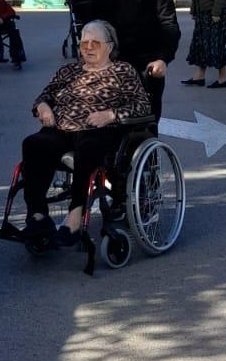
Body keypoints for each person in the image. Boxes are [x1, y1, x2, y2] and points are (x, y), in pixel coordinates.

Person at [20, 20, 151, 244]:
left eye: (95, 43)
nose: (88, 48)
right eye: (84, 44)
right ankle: (38, 214)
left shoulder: (123, 70)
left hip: (99, 130)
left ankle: (75, 214)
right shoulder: (68, 71)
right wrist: (42, 107)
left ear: (109, 47)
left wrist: (111, 114)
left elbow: (143, 107)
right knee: (33, 144)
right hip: (61, 128)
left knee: (88, 148)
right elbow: (45, 95)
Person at [87, 0, 180, 122]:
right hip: (108, 68)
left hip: (145, 68)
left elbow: (169, 25)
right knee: (105, 125)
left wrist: (163, 59)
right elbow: (92, 25)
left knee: (145, 122)